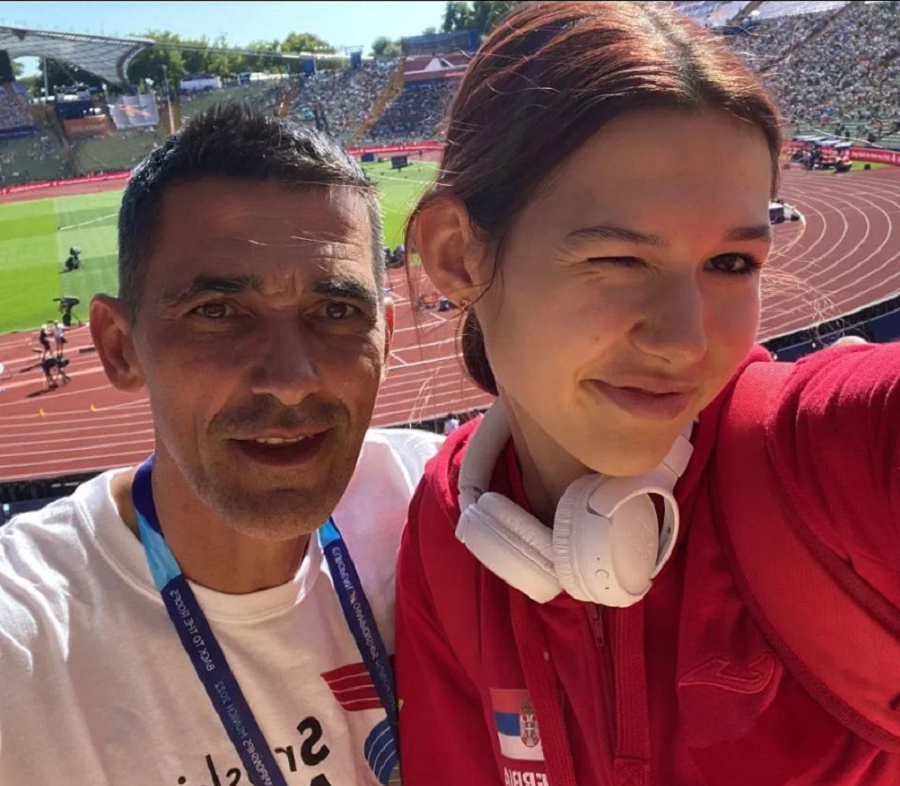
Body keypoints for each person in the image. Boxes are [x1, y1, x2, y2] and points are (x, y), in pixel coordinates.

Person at [394, 3, 900, 786]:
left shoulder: (822, 458)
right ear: (457, 256)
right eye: (620, 259)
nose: (686, 342)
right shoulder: (446, 531)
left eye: (731, 264)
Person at [0, 104, 442, 785]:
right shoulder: (26, 640)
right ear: (120, 346)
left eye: (336, 311)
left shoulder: (449, 510)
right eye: (216, 311)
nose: (290, 381)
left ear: (384, 336)